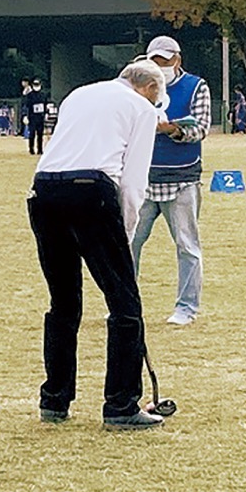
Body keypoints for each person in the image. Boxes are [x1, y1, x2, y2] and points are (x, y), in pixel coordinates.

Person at [29, 59, 165, 430]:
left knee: (63, 303)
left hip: (44, 191)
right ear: (150, 89)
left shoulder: (79, 94)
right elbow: (133, 181)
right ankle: (121, 405)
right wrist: (126, 232)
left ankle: (54, 400)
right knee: (124, 304)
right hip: (91, 193)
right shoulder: (142, 108)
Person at [131, 35, 210, 327]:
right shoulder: (136, 87)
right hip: (142, 178)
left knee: (187, 246)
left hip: (182, 178)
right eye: (155, 61)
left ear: (178, 60)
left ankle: (186, 307)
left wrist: (172, 130)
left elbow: (201, 128)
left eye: (165, 61)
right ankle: (124, 303)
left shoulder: (196, 86)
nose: (160, 66)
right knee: (128, 244)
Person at [25, 77, 49, 155]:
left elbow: (46, 105)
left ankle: (40, 149)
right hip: (32, 117)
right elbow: (27, 106)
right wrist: (26, 116)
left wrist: (46, 113)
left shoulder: (43, 95)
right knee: (32, 134)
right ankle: (31, 149)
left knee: (40, 134)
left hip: (40, 116)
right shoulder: (30, 95)